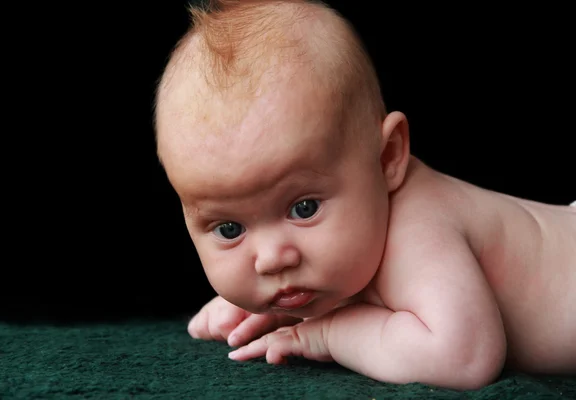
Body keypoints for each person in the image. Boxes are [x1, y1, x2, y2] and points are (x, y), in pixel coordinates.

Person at [153, 0, 576, 390]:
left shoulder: (420, 227)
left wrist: (325, 330)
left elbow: (464, 356)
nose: (272, 259)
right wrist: (269, 307)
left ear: (387, 156)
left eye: (304, 208)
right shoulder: (351, 240)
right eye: (230, 229)